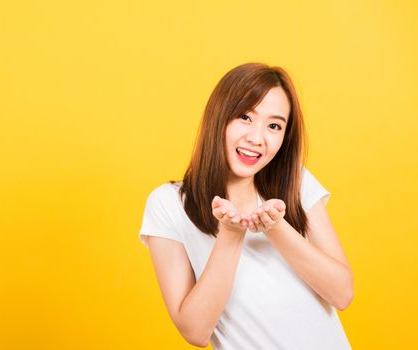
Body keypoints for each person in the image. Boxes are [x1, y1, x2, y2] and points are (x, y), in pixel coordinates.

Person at [138, 63, 354, 349]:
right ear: (219, 118)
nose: (256, 138)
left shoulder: (296, 182)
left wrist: (276, 228)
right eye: (245, 117)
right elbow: (195, 331)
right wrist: (230, 234)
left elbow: (342, 293)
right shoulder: (169, 204)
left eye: (274, 125)